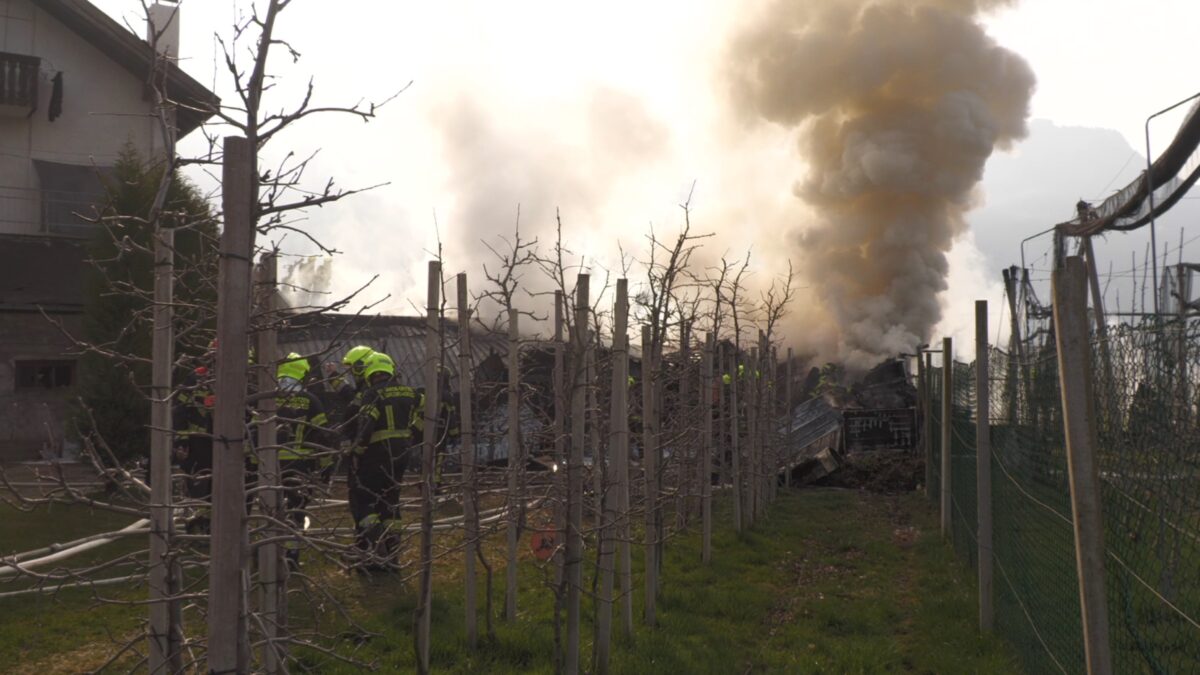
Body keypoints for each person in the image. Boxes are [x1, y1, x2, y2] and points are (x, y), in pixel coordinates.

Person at [348, 352, 421, 570]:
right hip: (402, 455)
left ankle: (376, 550)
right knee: (390, 502)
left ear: (370, 372)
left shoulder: (372, 393)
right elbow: (424, 418)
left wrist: (357, 451)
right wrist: (415, 439)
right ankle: (393, 553)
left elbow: (366, 425)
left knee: (365, 500)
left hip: (376, 455)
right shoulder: (411, 392)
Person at [274, 353, 332, 565]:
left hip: (270, 465)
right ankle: (291, 555)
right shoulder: (311, 401)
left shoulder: (267, 398)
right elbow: (323, 435)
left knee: (270, 509)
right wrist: (326, 468)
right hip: (301, 465)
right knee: (296, 509)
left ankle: (268, 554)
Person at [173, 343, 216, 534]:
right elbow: (180, 410)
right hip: (198, 441)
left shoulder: (236, 377)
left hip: (224, 441)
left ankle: (209, 520)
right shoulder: (195, 377)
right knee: (198, 482)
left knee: (218, 482)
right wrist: (181, 441)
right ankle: (200, 520)